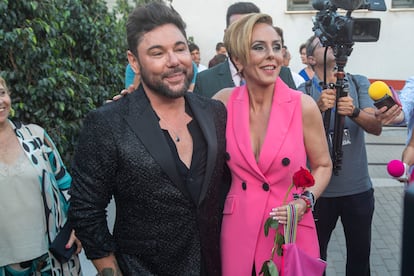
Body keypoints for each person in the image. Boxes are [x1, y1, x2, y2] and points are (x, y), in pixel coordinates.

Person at [68, 2, 228, 275]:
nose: (174, 60)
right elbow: (86, 210)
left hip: (212, 266)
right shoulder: (108, 123)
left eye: (180, 48)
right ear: (134, 61)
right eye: (157, 53)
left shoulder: (214, 112)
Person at [213, 14, 332, 275]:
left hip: (290, 229)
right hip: (239, 230)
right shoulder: (222, 103)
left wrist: (305, 201)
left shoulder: (303, 106)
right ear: (238, 59)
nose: (272, 55)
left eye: (276, 46)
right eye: (259, 47)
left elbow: (323, 164)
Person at [298, 35, 383, 276]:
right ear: (312, 58)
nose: (331, 44)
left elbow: (376, 128)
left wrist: (354, 111)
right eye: (322, 42)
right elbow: (290, 135)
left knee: (359, 260)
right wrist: (316, 107)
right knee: (315, 259)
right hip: (318, 193)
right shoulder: (301, 92)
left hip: (358, 191)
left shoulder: (358, 83)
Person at [0, 76, 82, 275]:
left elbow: (67, 186)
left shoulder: (35, 136)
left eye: (2, 93)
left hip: (52, 260)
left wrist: (77, 226)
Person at [193, 2, 297, 99]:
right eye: (240, 30)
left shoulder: (283, 75)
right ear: (226, 34)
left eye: (276, 46)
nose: (246, 36)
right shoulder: (205, 80)